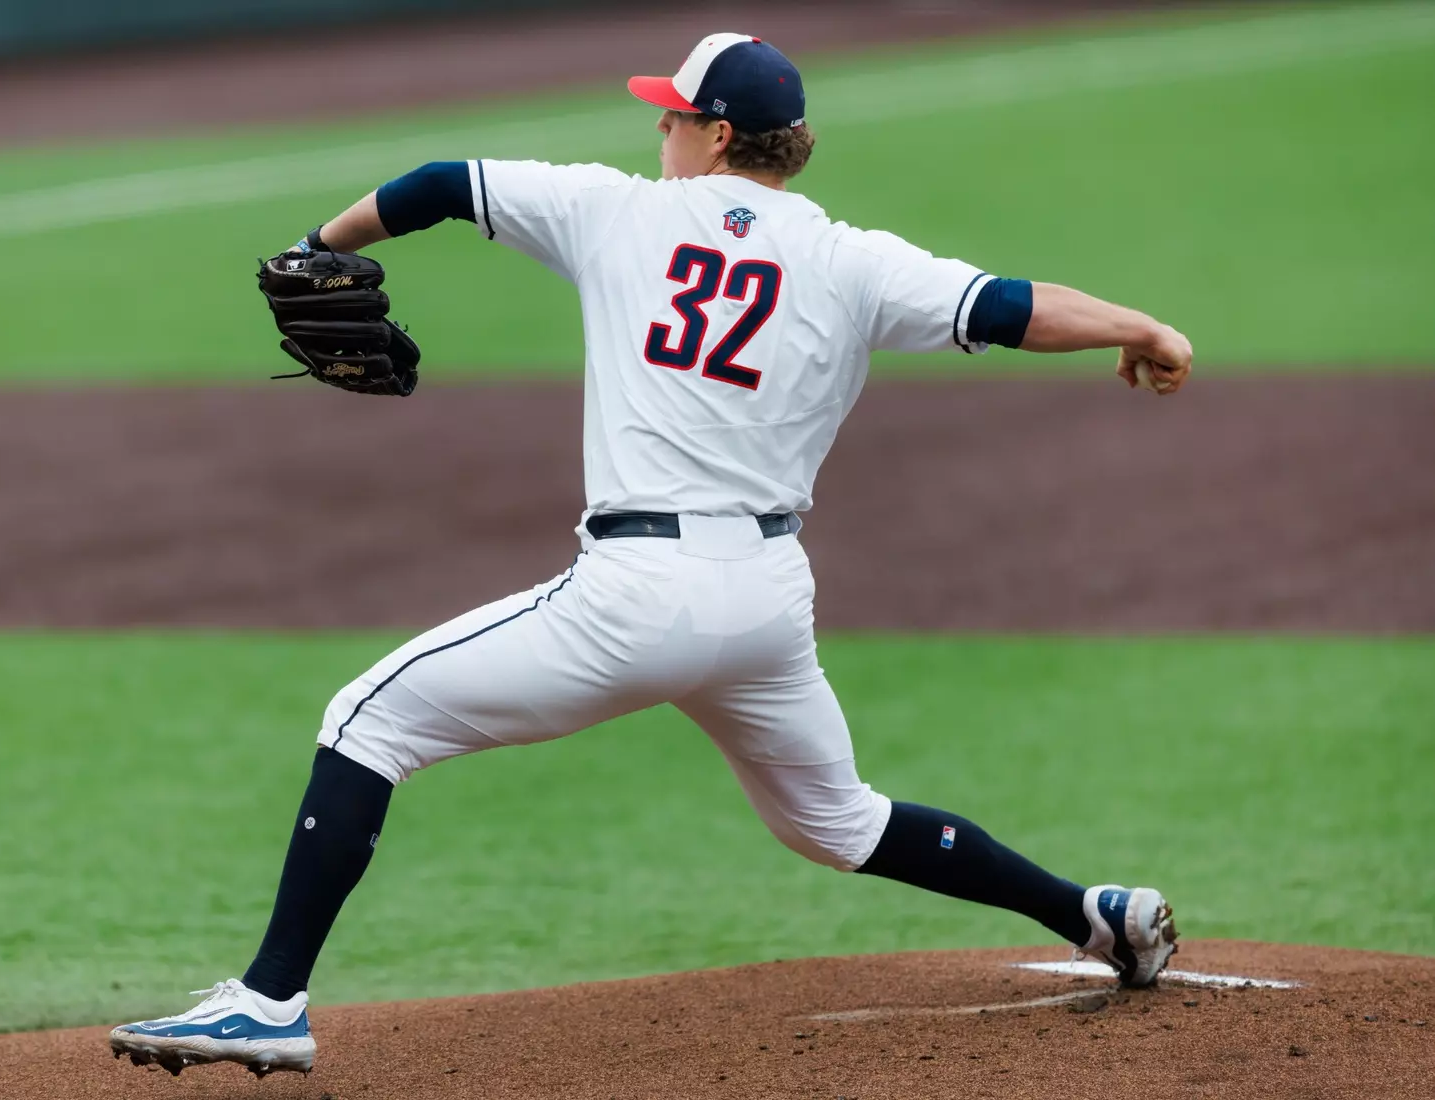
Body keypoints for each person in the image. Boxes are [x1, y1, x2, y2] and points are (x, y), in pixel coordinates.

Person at [110, 32, 1188, 1078]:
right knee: (840, 820)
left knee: (367, 717)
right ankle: (1094, 916)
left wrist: (325, 244)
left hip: (635, 598)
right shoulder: (854, 257)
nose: (659, 127)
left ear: (717, 136)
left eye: (671, 114)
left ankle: (268, 1001)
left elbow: (441, 180)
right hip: (766, 603)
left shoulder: (614, 211)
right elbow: (1010, 308)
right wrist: (1142, 327)